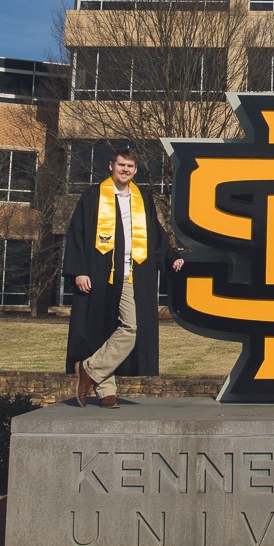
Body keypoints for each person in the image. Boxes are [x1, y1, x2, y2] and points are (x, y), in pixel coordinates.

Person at [64, 146, 183, 408]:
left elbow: (155, 235)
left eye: (130, 167)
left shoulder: (142, 199)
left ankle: (90, 369)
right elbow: (77, 234)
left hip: (133, 273)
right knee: (101, 328)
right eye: (121, 165)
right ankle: (106, 391)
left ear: (135, 170)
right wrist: (79, 270)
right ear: (111, 166)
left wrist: (172, 257)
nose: (125, 170)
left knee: (131, 327)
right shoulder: (93, 196)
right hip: (99, 272)